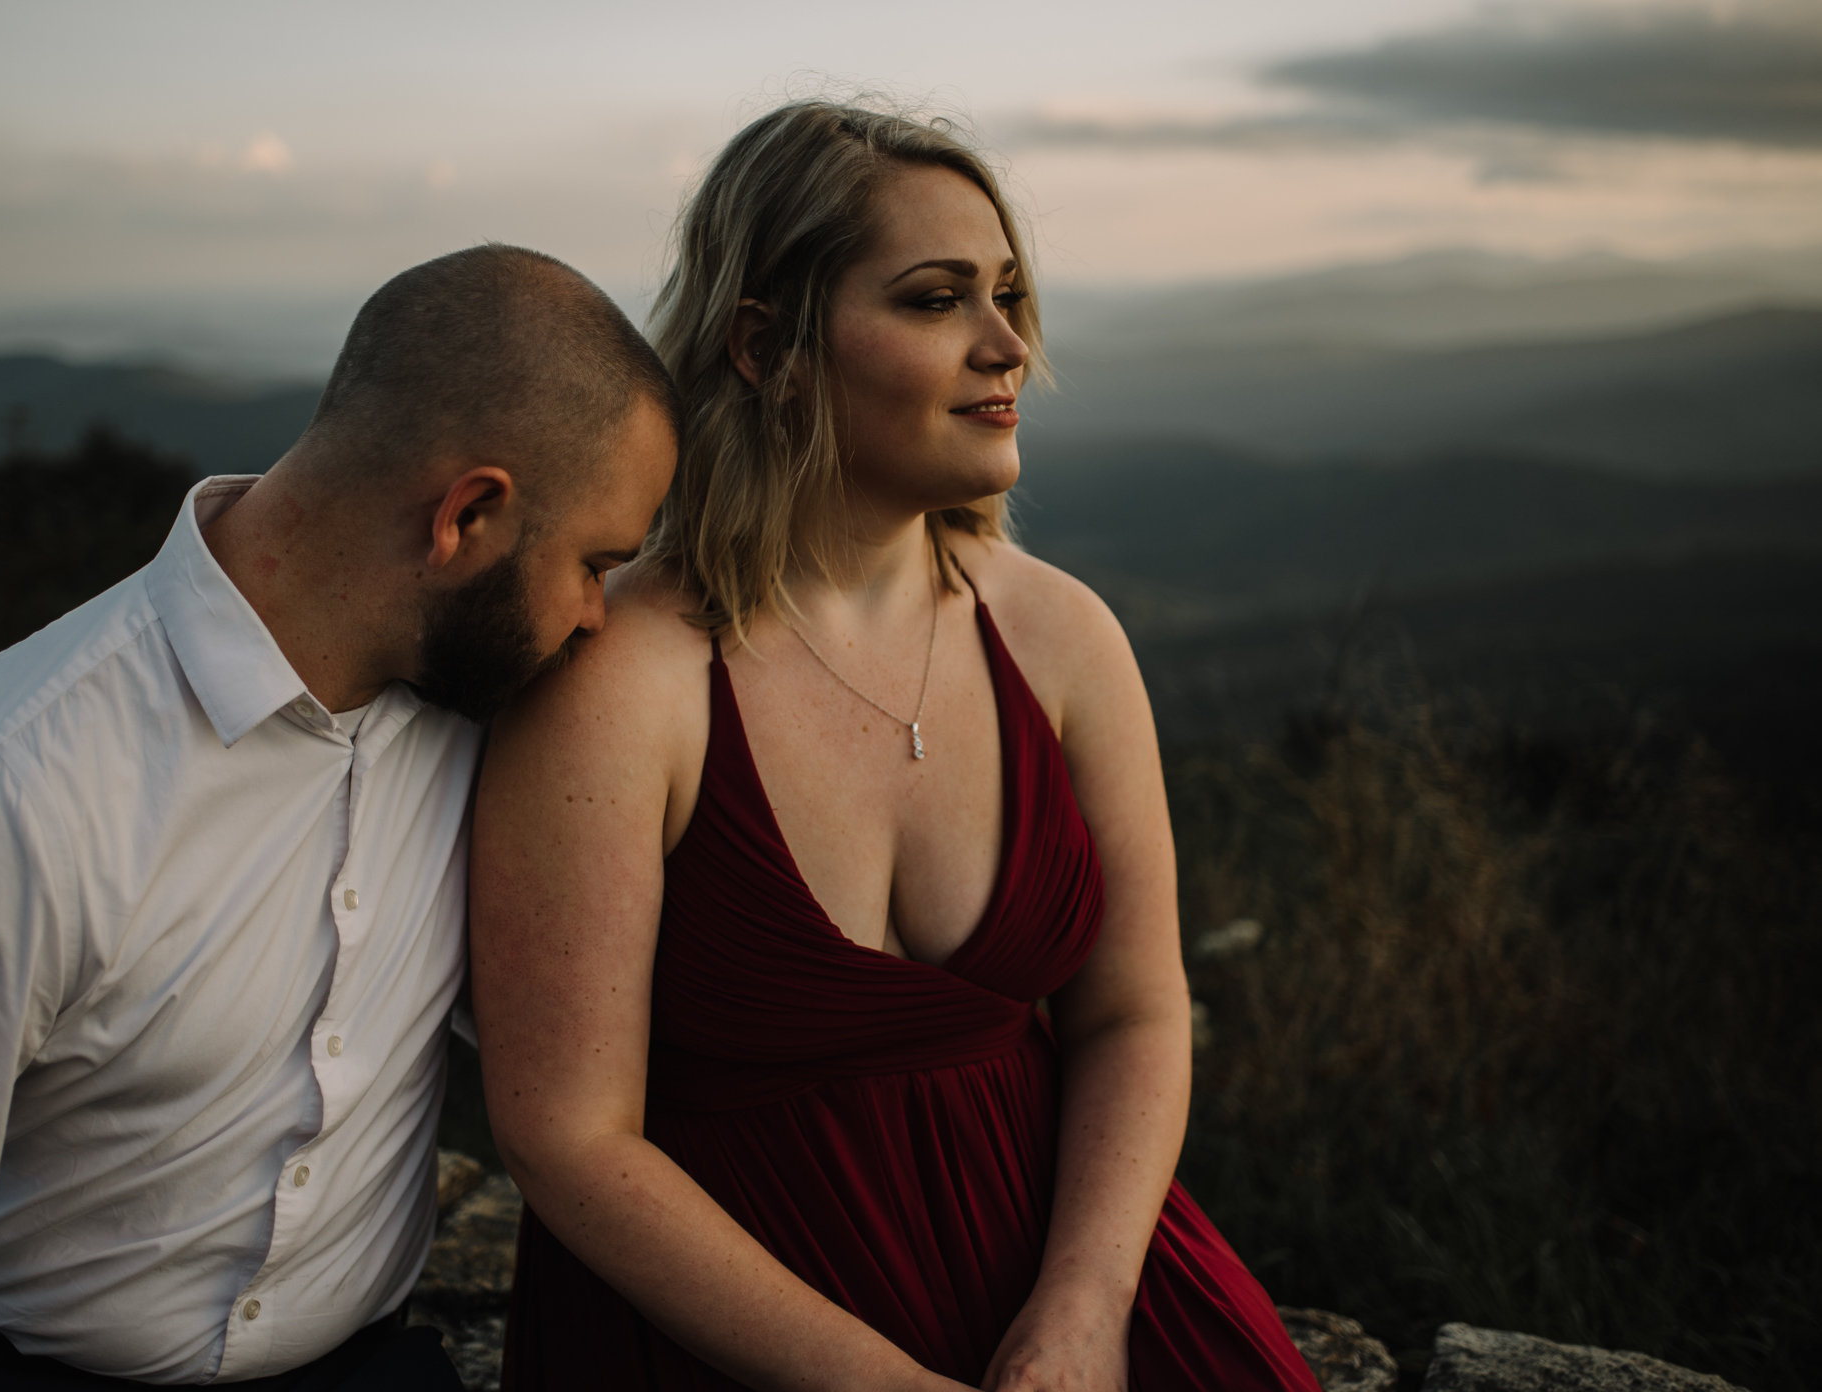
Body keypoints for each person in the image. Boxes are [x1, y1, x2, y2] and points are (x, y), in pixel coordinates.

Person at [470, 102, 1320, 1392]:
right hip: (731, 1338)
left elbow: (1136, 1012)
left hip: (1070, 1295)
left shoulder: (1063, 638)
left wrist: (1087, 1308)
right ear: (767, 344)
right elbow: (568, 1138)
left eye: (1011, 294)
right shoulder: (624, 679)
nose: (1009, 344)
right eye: (937, 301)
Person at [0, 245, 678, 1392]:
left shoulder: (487, 723)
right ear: (467, 517)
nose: (597, 619)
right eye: (595, 564)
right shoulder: (10, 785)